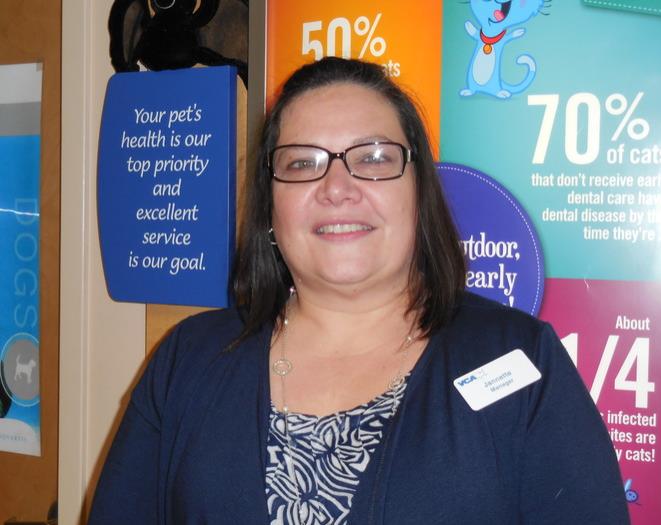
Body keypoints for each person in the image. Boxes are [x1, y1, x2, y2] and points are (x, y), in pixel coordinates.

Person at [89, 57, 630, 524]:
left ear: (418, 192)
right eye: (302, 163)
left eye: (373, 158)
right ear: (271, 207)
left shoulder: (520, 360)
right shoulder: (187, 361)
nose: (336, 188)